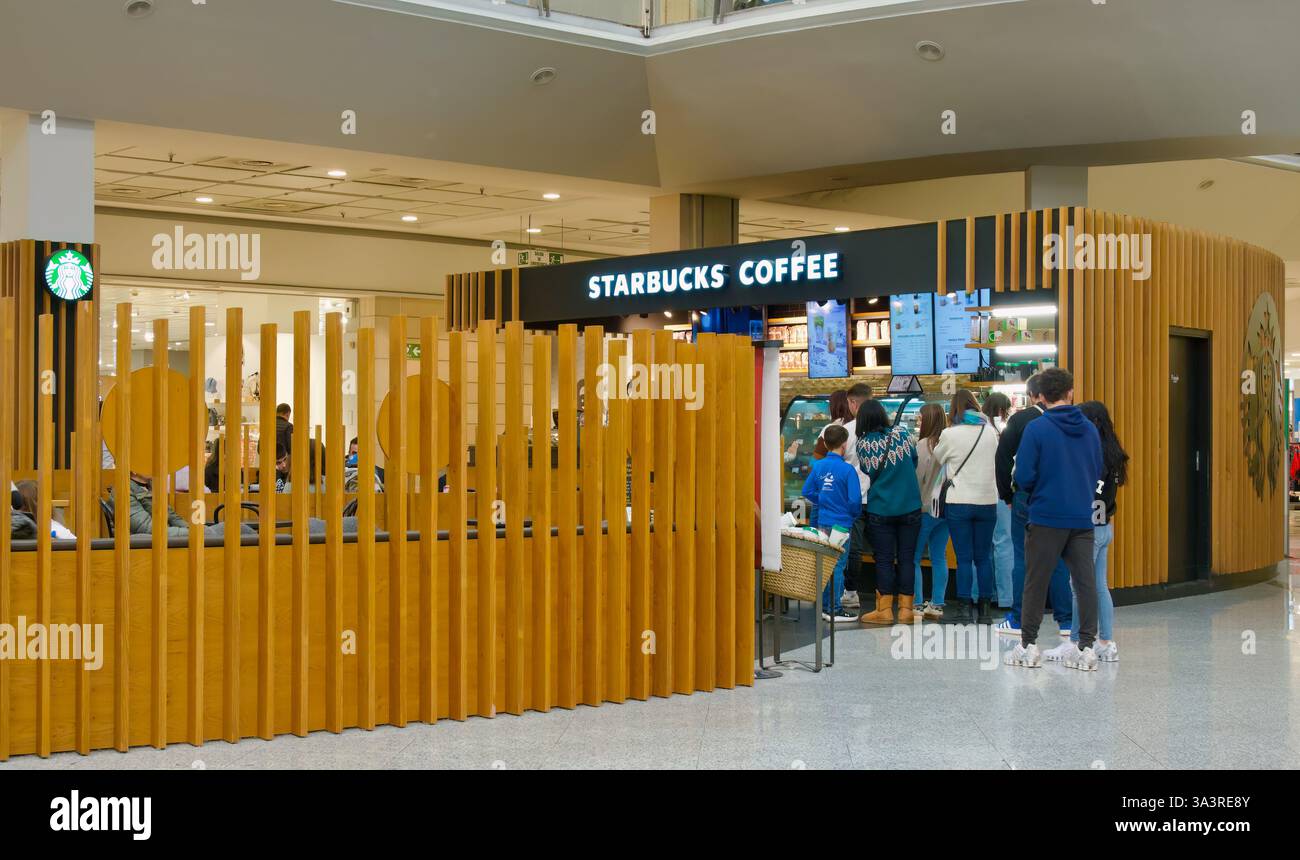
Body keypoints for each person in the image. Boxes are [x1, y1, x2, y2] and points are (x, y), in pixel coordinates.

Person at [1005, 368, 1104, 671]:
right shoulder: (1089, 428)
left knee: (1036, 580)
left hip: (1046, 515)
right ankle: (1087, 648)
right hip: (1081, 516)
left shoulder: (1037, 429)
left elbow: (1023, 475)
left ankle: (1028, 645)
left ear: (1040, 397)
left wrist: (1038, 492)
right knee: (1085, 582)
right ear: (1070, 393)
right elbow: (1097, 468)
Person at [1044, 400, 1127, 664]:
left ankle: (1081, 642)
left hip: (1087, 529)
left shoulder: (1091, 453)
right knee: (1097, 585)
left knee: (1080, 586)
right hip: (1104, 527)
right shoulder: (1113, 453)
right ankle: (1104, 641)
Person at [994, 374, 1075, 636]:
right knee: (1059, 559)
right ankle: (1066, 621)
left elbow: (1003, 459)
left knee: (1023, 558)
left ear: (1033, 395)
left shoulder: (1022, 420)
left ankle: (1019, 619)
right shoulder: (1074, 420)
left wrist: (1007, 494)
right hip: (1062, 497)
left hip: (1026, 498)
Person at [933, 390, 1000, 623]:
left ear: (954, 409)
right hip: (987, 501)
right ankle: (985, 611)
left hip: (959, 501)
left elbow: (938, 458)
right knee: (983, 557)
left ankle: (963, 610)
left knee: (963, 558)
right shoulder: (991, 432)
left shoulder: (950, 434)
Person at [855, 399, 922, 626]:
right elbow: (914, 461)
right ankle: (906, 610)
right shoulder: (902, 434)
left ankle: (884, 610)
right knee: (907, 558)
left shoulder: (864, 444)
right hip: (910, 506)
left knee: (883, 559)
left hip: (880, 508)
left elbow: (867, 470)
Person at [811, 389, 871, 610]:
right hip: (863, 502)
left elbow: (812, 480)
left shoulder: (843, 433)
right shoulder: (847, 470)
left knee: (834, 553)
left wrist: (823, 495)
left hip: (835, 507)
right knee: (846, 554)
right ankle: (839, 600)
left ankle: (832, 599)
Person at [800, 423, 861, 624]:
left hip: (824, 522)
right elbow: (854, 501)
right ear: (844, 445)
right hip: (842, 523)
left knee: (826, 563)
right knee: (838, 565)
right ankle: (834, 609)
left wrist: (823, 500)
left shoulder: (818, 466)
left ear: (825, 443)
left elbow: (807, 491)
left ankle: (825, 606)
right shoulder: (848, 470)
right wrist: (852, 515)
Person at [912, 402, 949, 620]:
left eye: (920, 418)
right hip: (944, 509)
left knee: (915, 557)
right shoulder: (949, 443)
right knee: (939, 557)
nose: (918, 422)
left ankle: (917, 603)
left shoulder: (922, 446)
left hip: (924, 508)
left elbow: (917, 479)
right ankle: (936, 604)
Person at [982, 392, 1014, 611]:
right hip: (999, 494)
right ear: (1002, 410)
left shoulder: (979, 429)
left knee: (983, 547)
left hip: (979, 496)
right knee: (1004, 544)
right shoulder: (999, 434)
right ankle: (1005, 597)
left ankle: (982, 594)